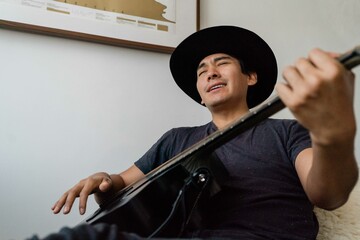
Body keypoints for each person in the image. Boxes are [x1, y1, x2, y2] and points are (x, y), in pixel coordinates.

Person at [48, 26, 358, 239]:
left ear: (250, 77)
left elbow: (329, 194)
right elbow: (119, 188)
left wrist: (334, 135)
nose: (210, 72)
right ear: (200, 93)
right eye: (202, 71)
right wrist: (103, 182)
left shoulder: (289, 132)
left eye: (222, 64)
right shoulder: (176, 140)